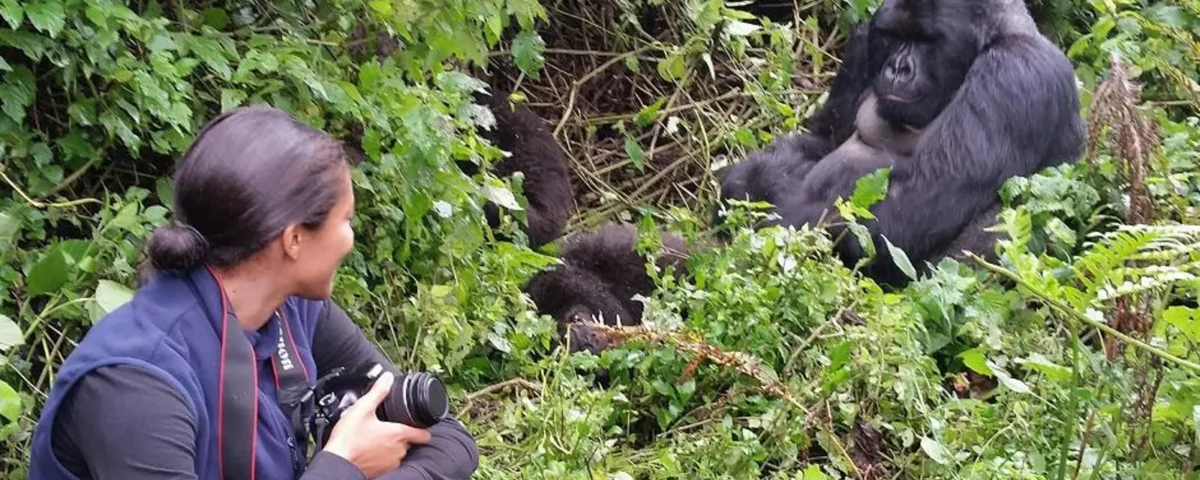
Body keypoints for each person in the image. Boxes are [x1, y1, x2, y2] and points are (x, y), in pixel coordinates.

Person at [27, 106, 480, 480]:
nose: (350, 240)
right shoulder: (135, 382)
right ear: (293, 239)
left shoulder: (293, 309)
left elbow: (446, 437)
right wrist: (342, 469)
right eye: (346, 221)